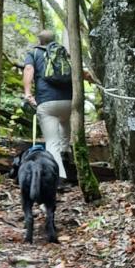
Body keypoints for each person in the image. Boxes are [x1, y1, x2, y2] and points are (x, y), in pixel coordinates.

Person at [22, 29, 90, 180]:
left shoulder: (33, 53)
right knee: (65, 136)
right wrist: (95, 81)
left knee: (52, 142)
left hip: (47, 102)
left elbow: (28, 69)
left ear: (39, 40)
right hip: (69, 102)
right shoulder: (64, 53)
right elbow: (80, 72)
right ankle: (67, 165)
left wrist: (27, 93)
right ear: (54, 40)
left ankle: (59, 178)